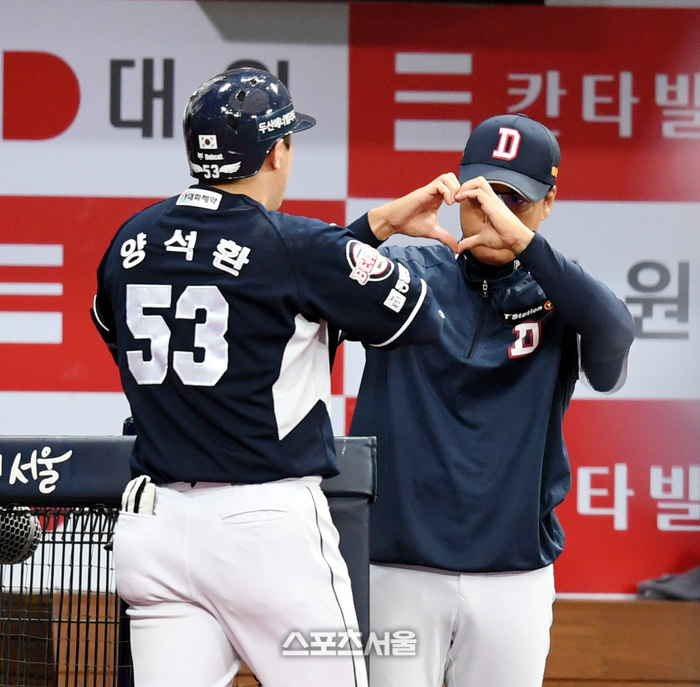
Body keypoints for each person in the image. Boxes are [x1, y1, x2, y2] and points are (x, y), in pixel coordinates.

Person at [90, 68, 463, 687]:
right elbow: (422, 321)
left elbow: (127, 323)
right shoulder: (296, 245)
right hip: (264, 528)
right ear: (276, 152)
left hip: (156, 529)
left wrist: (374, 227)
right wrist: (363, 246)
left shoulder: (133, 237)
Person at [349, 113, 635, 687]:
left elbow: (614, 334)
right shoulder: (408, 275)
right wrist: (378, 224)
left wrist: (528, 247)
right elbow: (302, 286)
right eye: (484, 196)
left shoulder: (561, 295)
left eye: (515, 201)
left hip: (513, 575)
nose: (495, 215)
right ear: (459, 191)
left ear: (548, 203)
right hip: (396, 566)